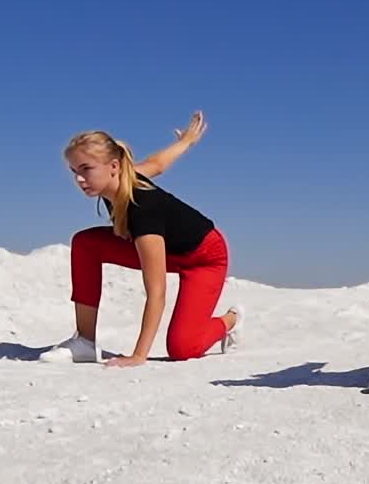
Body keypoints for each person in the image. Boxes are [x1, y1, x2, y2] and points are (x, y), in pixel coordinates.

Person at [42, 112, 241, 367]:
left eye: (86, 169)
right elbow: (157, 164)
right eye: (74, 171)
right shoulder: (121, 178)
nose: (79, 179)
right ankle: (85, 341)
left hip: (205, 258)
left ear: (113, 166)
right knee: (85, 243)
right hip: (170, 248)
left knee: (183, 348)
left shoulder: (142, 209)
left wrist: (138, 355)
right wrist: (186, 141)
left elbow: (156, 291)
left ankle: (230, 320)